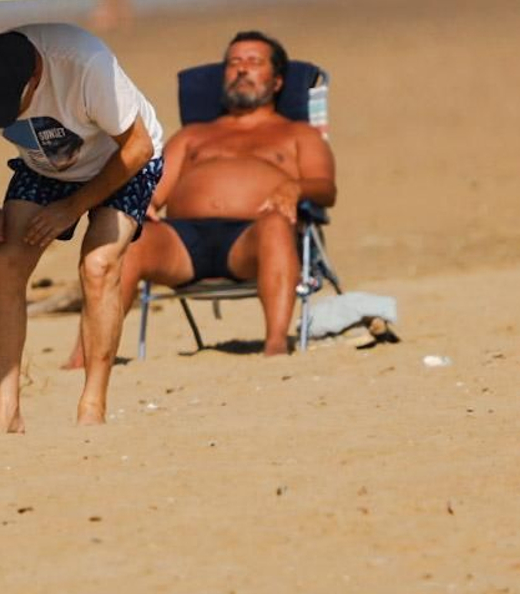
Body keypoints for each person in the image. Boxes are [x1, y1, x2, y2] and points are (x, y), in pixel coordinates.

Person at [0, 24, 164, 431]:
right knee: (5, 263)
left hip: (123, 160)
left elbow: (138, 147)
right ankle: (7, 409)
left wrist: (73, 207)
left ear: (36, 76)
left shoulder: (87, 66)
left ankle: (92, 406)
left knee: (98, 265)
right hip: (44, 167)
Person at [66, 31, 336, 363]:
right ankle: (83, 358)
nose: (241, 69)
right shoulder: (193, 135)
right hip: (182, 242)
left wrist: (296, 188)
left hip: (252, 240)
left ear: (277, 81)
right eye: (234, 62)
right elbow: (154, 191)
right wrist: (144, 206)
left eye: (254, 62)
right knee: (128, 239)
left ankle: (276, 345)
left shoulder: (298, 134)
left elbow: (325, 188)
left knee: (276, 227)